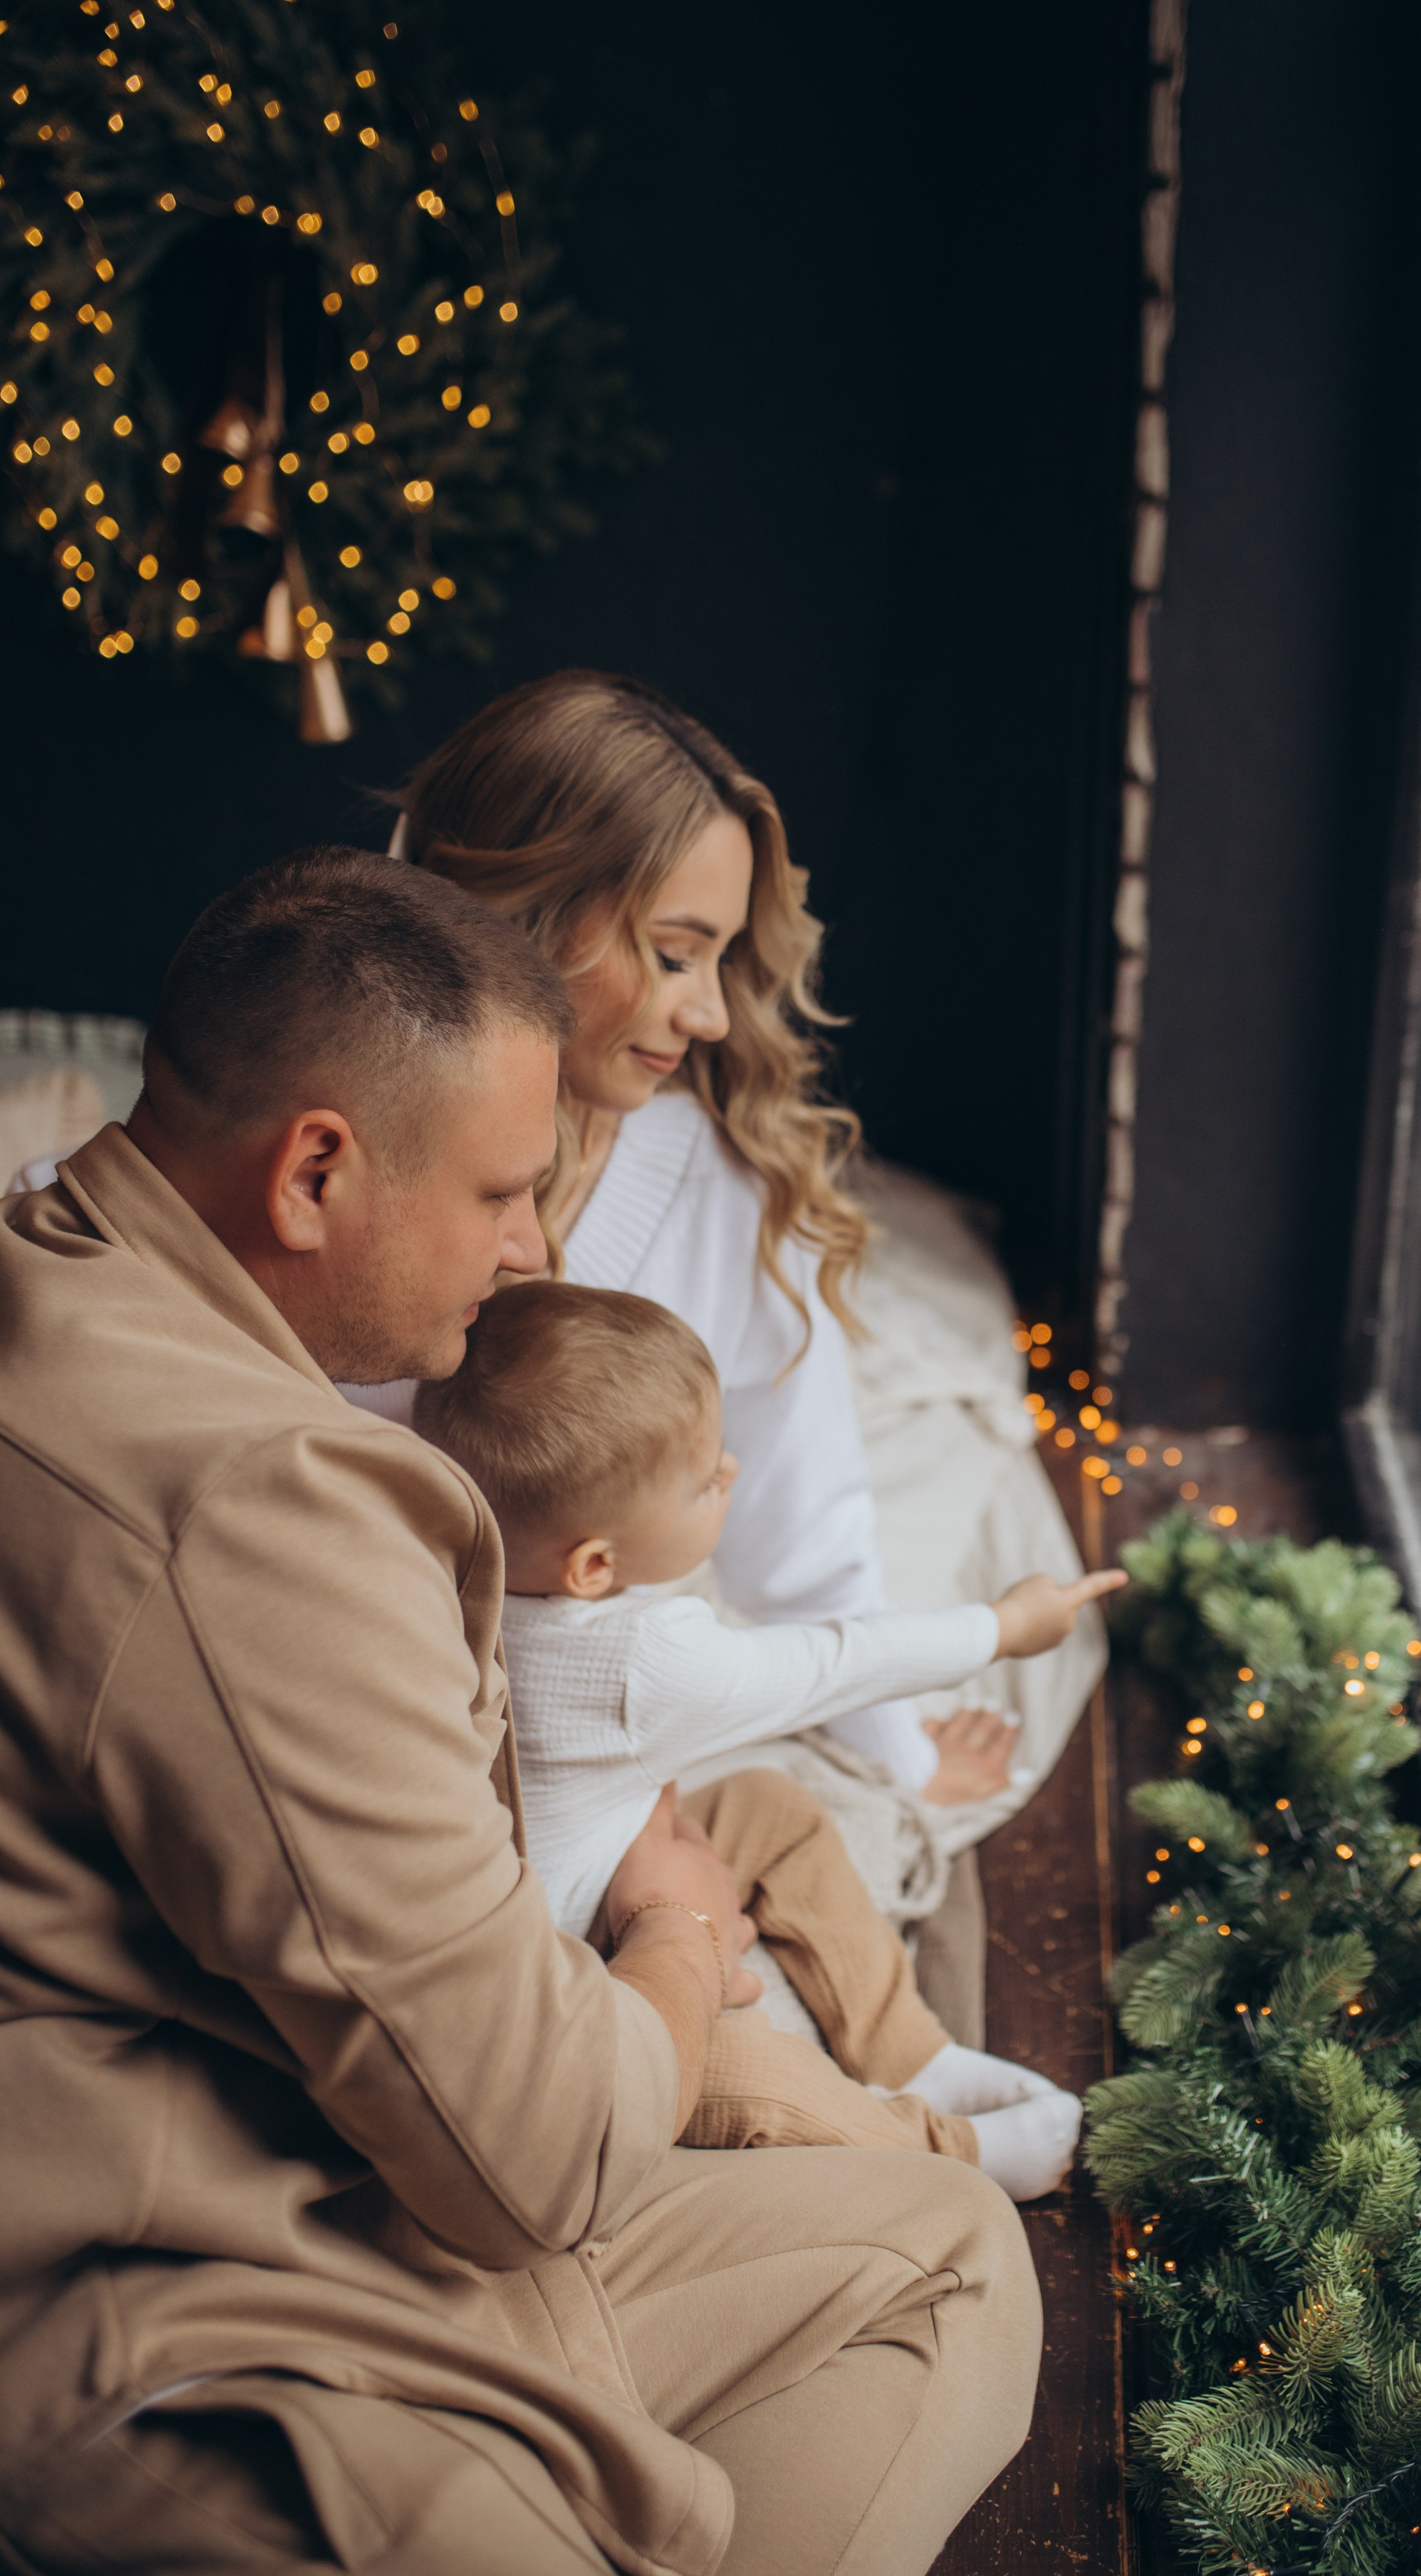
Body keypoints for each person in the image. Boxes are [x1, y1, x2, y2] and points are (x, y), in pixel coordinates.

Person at [0, 850, 1041, 2576]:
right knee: (947, 2261)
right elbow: (533, 2163)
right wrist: (681, 1935)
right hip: (184, 2310)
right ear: (317, 1168)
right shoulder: (267, 1506)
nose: (534, 1246)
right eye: (501, 1193)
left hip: (222, 2180)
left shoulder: (48, 1261)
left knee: (935, 2230)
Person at [361, 671, 1104, 1860]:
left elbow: (809, 1548)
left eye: (721, 962)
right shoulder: (332, 1143)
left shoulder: (721, 1198)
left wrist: (909, 1760)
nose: (709, 1014)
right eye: (674, 953)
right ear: (525, 913)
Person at [414, 1278, 1122, 2198]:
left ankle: (909, 2052)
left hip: (594, 1879)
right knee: (753, 2078)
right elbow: (834, 1661)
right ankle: (954, 2153)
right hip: (579, 2001)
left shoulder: (450, 1568)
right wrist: (1000, 1628)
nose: (735, 1473)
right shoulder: (644, 1662)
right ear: (593, 1566)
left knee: (768, 1808)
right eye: (707, 1479)